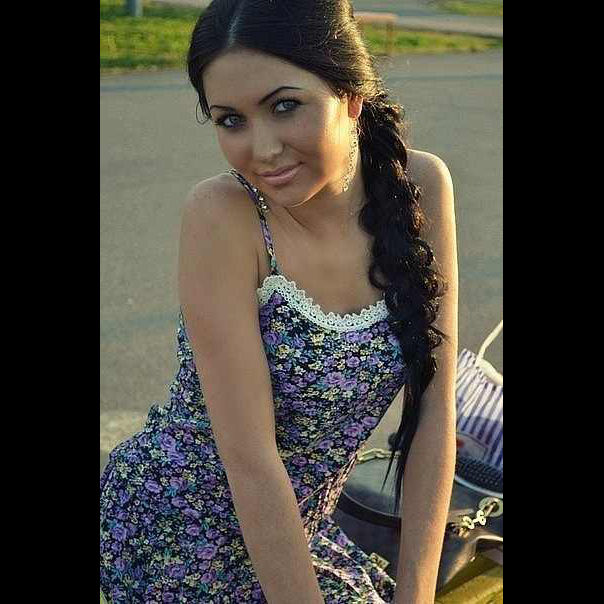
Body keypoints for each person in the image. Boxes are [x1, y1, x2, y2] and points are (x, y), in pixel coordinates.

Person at [100, 1, 459, 602]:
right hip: (175, 535)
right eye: (230, 120)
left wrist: (417, 594)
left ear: (351, 95)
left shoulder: (419, 186)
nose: (262, 149)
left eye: (284, 106)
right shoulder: (222, 215)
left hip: (302, 531)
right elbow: (250, 458)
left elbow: (434, 412)